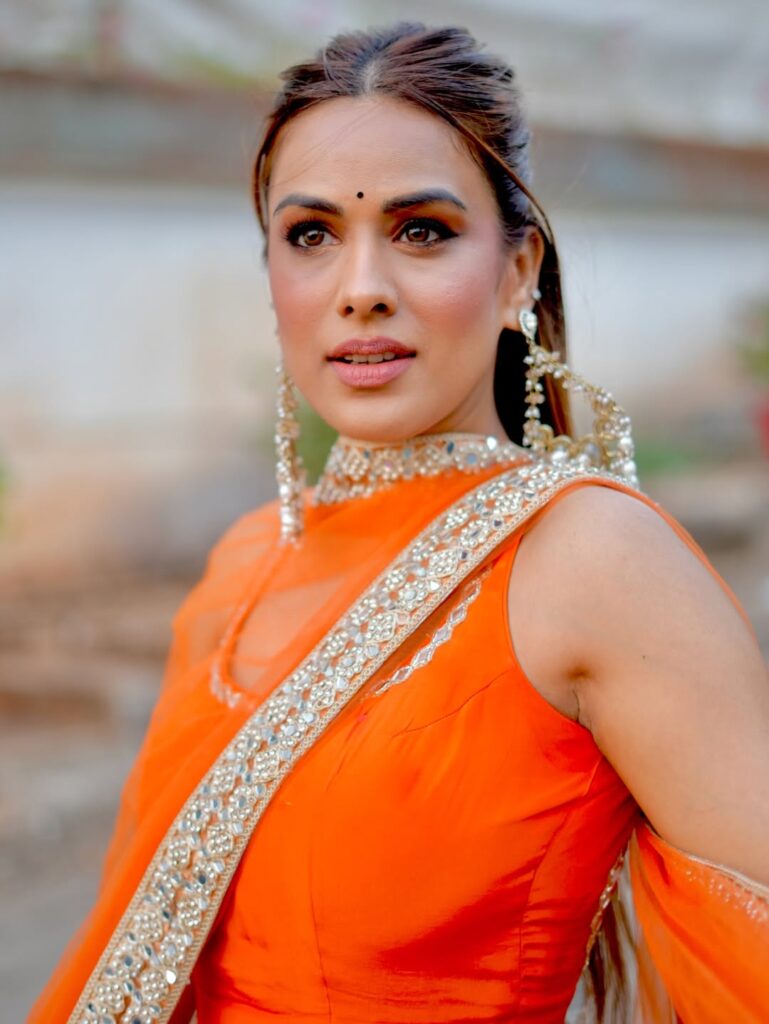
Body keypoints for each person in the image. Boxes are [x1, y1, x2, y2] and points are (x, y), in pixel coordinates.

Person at [30, 22, 769, 1024]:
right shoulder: (240, 563)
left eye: (421, 230)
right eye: (310, 235)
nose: (361, 290)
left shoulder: (593, 561)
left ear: (517, 271)